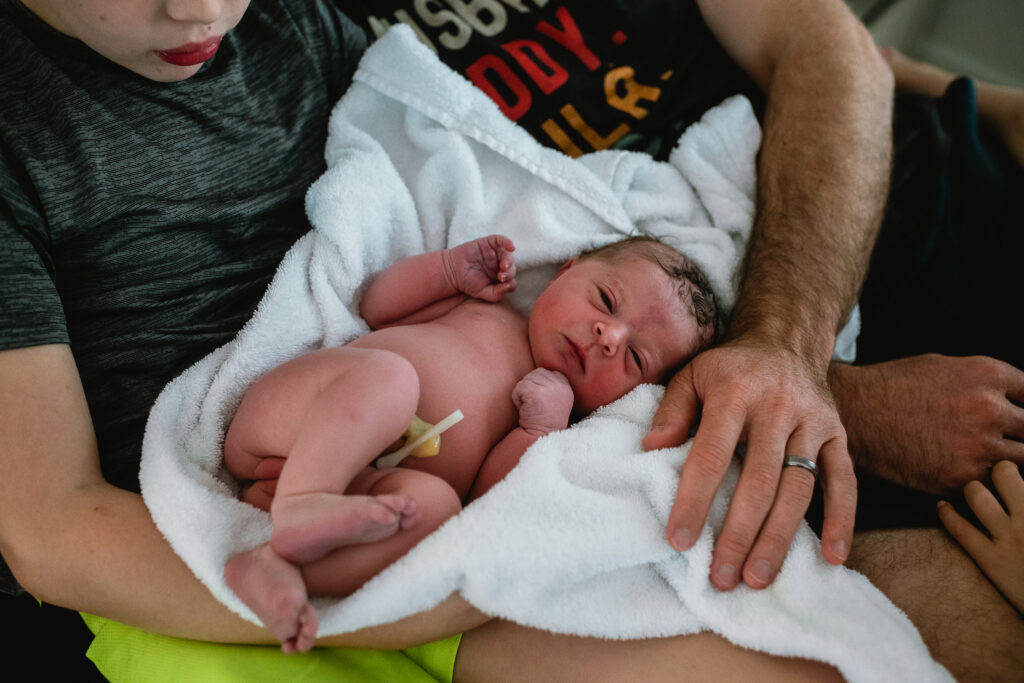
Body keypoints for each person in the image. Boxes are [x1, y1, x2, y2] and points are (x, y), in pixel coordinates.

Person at [0, 0, 1012, 680]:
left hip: (849, 251)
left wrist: (789, 361)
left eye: (629, 348)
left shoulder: (289, 31)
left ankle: (303, 545)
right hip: (340, 429)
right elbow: (51, 523)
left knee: (433, 510)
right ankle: (303, 516)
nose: (200, 11)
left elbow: (838, 50)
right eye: (603, 301)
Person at [222, 233, 719, 652]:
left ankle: (280, 564)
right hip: (293, 419)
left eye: (635, 358)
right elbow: (378, 306)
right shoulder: (484, 305)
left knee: (436, 510)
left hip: (354, 492)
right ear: (565, 271)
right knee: (391, 380)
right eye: (607, 301)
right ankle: (306, 499)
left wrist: (536, 433)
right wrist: (446, 270)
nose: (609, 336)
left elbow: (487, 502)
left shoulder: (562, 426)